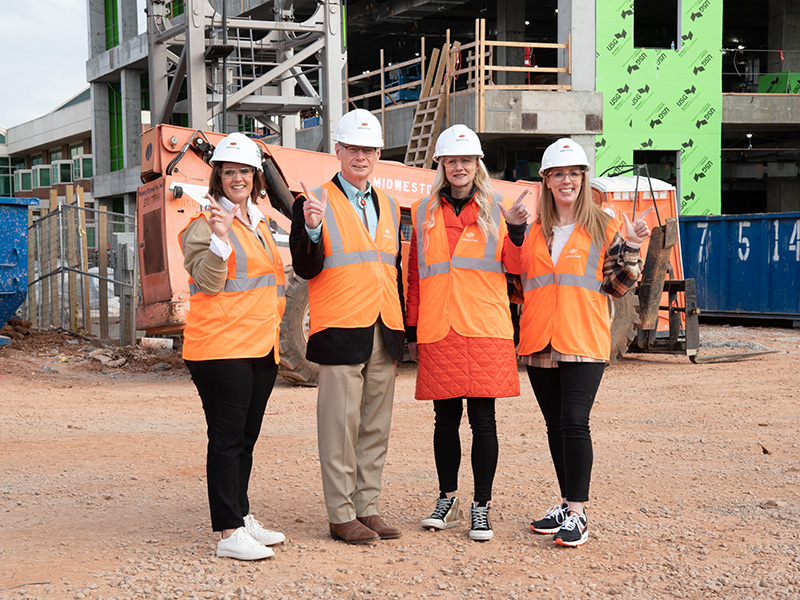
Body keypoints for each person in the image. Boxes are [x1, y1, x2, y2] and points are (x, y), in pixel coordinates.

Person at [519, 138, 652, 547]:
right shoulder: (534, 231)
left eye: (574, 174)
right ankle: (564, 502)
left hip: (583, 339)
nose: (566, 181)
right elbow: (517, 285)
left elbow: (618, 287)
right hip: (540, 340)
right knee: (555, 425)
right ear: (546, 180)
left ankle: (577, 512)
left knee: (575, 421)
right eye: (558, 174)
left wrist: (631, 247)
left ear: (583, 179)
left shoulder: (605, 225)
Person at [406, 124, 531, 542]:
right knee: (444, 420)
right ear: (441, 164)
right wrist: (411, 328)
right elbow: (416, 275)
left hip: (484, 328)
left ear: (478, 164)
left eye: (466, 160)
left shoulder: (501, 208)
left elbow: (517, 269)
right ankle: (448, 499)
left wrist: (516, 231)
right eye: (451, 160)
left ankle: (482, 506)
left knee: (483, 421)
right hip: (439, 328)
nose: (459, 167)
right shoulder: (422, 212)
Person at [289, 109, 405, 545]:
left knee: (375, 425)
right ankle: (341, 514)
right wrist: (312, 229)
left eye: (368, 149)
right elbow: (305, 266)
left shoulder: (389, 206)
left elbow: (392, 269)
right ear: (337, 150)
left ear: (378, 153)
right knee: (340, 425)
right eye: (353, 148)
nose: (361, 156)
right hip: (339, 327)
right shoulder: (313, 202)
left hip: (383, 326)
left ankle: (366, 507)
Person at [180, 132, 287, 561]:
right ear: (217, 177)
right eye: (229, 171)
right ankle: (227, 532)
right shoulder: (201, 225)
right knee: (226, 439)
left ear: (256, 177)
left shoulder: (259, 220)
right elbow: (207, 280)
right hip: (220, 348)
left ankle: (240, 517)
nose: (237, 178)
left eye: (245, 171)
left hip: (260, 346)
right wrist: (220, 240)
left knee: (246, 437)